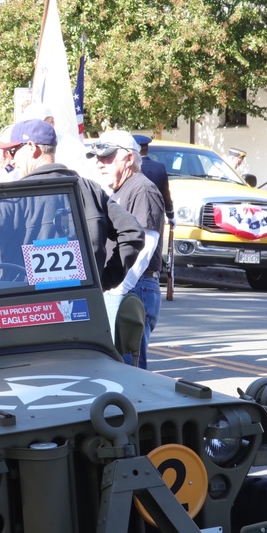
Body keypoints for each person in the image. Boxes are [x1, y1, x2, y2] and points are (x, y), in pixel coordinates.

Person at [0, 119, 144, 291]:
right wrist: (102, 281)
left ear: (31, 147)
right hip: (84, 305)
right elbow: (133, 233)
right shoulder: (89, 190)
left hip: (27, 310)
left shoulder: (18, 196)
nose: (12, 159)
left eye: (13, 151)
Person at [88, 130, 165, 369]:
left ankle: (135, 408)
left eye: (108, 157)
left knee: (128, 368)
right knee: (116, 365)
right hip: (126, 287)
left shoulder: (142, 189)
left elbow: (146, 244)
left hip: (134, 287)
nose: (101, 164)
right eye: (98, 158)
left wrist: (120, 288)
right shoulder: (121, 190)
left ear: (130, 159)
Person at [133, 135, 174, 228]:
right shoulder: (160, 167)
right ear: (147, 149)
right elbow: (166, 194)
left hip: (134, 214)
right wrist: (170, 215)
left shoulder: (130, 167)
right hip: (155, 215)